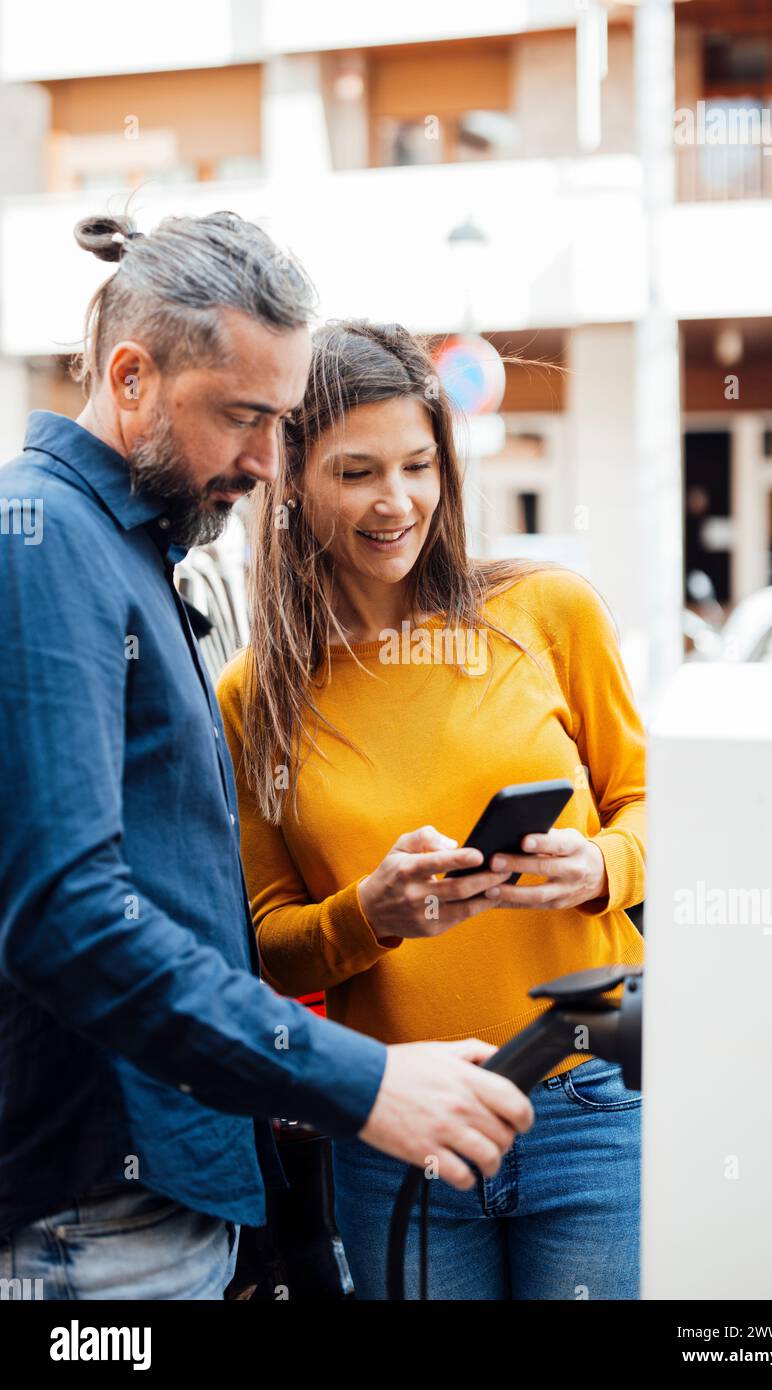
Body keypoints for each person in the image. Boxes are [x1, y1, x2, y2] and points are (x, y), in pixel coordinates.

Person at [0, 215, 532, 1301]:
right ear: (132, 377)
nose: (266, 462)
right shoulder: (43, 543)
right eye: (244, 418)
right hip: (92, 1223)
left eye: (282, 423)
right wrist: (362, 1080)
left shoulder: (126, 545)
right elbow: (69, 916)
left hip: (155, 1205)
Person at [217, 320, 647, 1301]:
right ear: (291, 480)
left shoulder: (549, 612)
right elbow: (267, 941)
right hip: (399, 1126)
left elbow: (649, 801)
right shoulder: (256, 698)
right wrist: (371, 913)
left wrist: (603, 867)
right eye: (358, 470)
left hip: (585, 1104)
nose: (397, 500)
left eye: (419, 464)